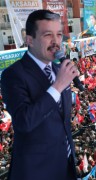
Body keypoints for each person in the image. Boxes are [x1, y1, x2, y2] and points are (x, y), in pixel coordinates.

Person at [1, 10, 79, 180]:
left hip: (65, 166)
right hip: (36, 171)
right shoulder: (13, 75)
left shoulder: (59, 70)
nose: (56, 42)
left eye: (59, 35)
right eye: (48, 35)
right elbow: (23, 122)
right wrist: (57, 86)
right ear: (30, 40)